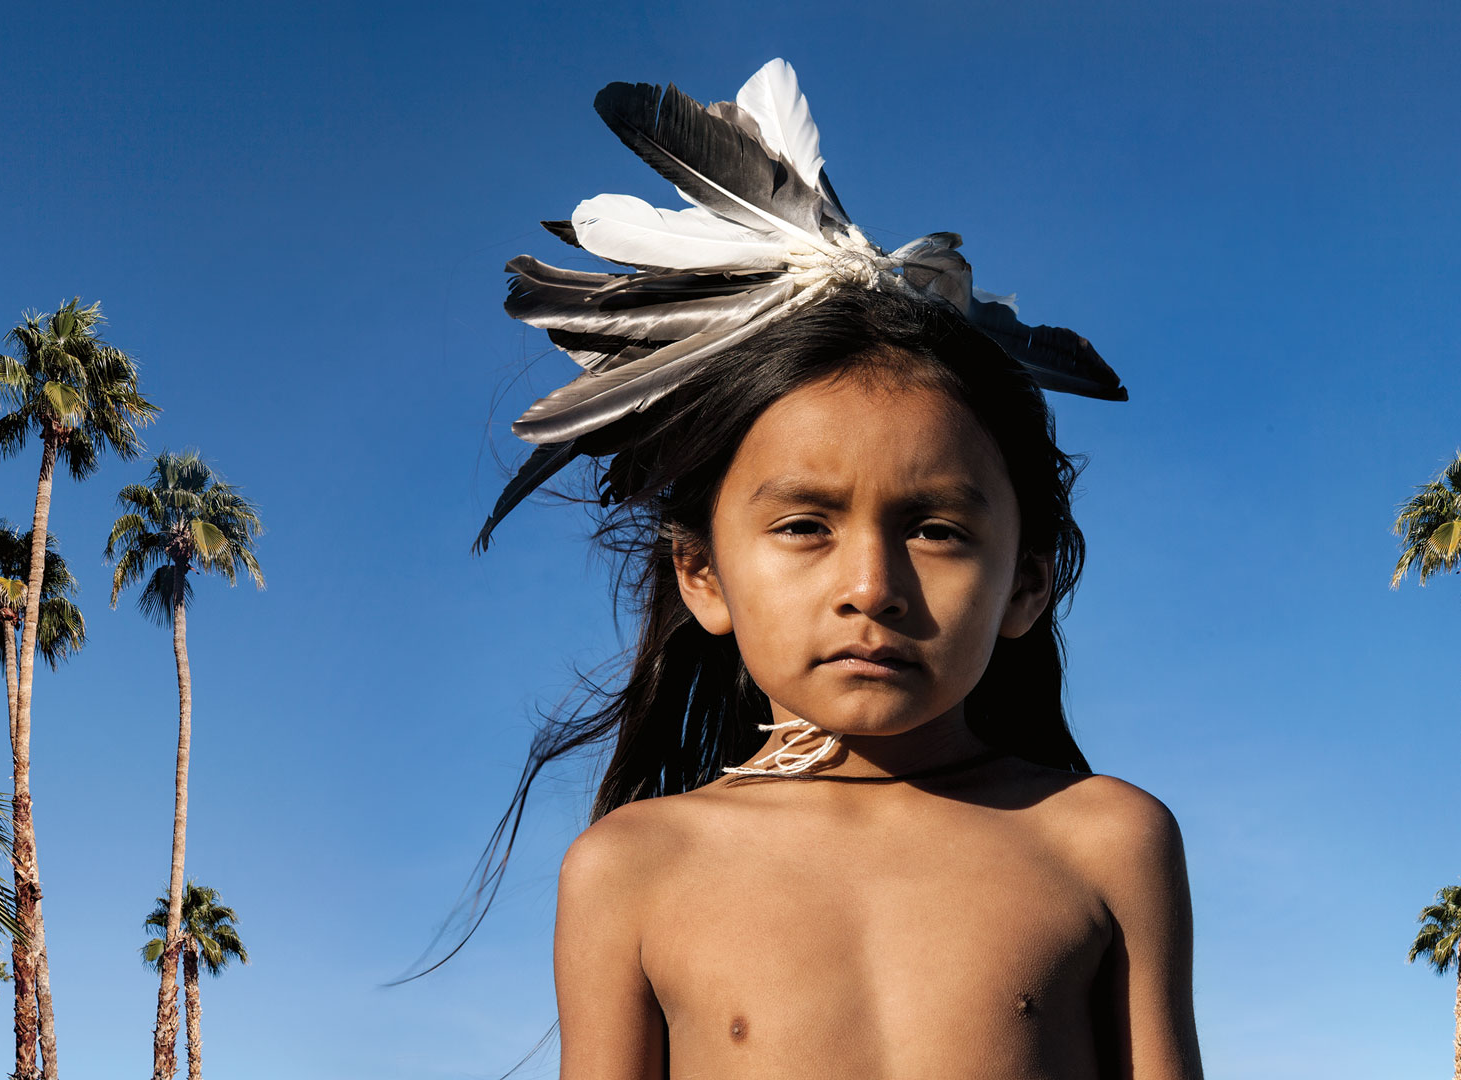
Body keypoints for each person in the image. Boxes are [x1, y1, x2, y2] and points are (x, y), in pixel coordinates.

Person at [469, 59, 1204, 1079]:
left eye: (938, 529)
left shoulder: (1103, 842)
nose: (873, 585)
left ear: (1027, 583)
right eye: (805, 525)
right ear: (702, 576)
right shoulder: (633, 867)